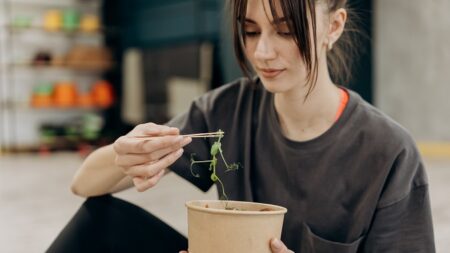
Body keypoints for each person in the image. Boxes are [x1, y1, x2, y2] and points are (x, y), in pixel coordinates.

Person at [47, 0, 435, 252]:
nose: (262, 52)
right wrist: (125, 153)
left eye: (285, 30)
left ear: (333, 26)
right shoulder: (227, 111)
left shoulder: (388, 153)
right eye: (250, 31)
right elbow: (84, 184)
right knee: (101, 223)